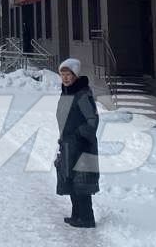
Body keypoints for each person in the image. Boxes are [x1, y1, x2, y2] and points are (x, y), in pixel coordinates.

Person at [54, 57, 99, 228]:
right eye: (62, 74)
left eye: (68, 74)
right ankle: (77, 215)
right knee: (71, 180)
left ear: (76, 75)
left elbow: (92, 121)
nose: (65, 78)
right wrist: (63, 138)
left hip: (82, 145)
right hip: (68, 144)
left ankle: (87, 218)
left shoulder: (82, 94)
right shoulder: (66, 93)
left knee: (82, 182)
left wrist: (78, 134)